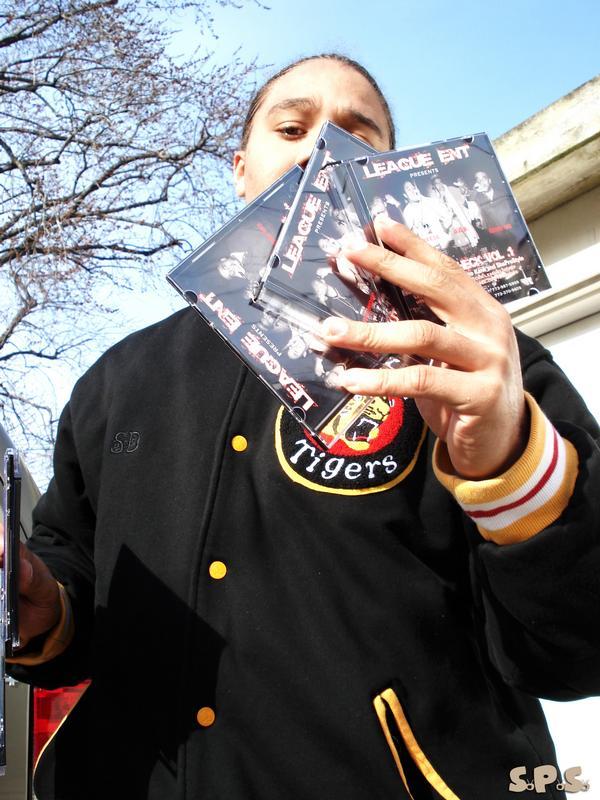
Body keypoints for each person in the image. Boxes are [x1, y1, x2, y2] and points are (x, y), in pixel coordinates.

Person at [3, 53, 600, 800]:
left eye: (358, 133)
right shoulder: (116, 379)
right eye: (291, 128)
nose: (322, 146)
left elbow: (576, 652)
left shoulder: (476, 361)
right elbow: (72, 584)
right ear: (240, 169)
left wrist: (508, 466)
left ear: (384, 174)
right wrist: (41, 604)